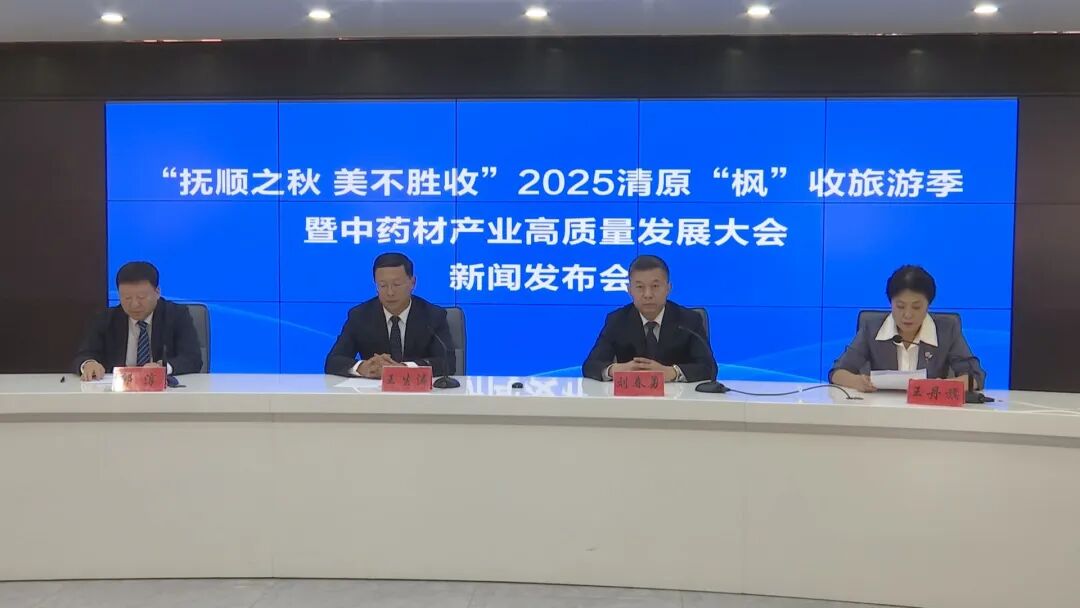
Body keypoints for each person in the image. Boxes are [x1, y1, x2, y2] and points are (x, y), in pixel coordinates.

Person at [829, 265, 986, 393]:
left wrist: (944, 386)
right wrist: (857, 381)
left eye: (916, 307)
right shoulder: (872, 328)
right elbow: (837, 372)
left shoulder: (946, 330)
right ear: (891, 303)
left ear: (928, 304)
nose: (908, 314)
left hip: (930, 414)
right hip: (881, 414)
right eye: (900, 306)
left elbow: (976, 377)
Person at [582, 255, 716, 383]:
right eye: (640, 287)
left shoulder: (689, 320)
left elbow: (709, 368)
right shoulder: (617, 320)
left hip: (678, 397)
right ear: (629, 290)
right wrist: (614, 370)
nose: (648, 295)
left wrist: (672, 372)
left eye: (655, 286)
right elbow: (591, 365)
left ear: (668, 288)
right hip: (631, 396)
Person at [325, 252, 456, 378]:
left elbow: (448, 363)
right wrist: (362, 367)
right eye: (383, 285)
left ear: (413, 283)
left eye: (396, 285)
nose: (390, 292)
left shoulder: (433, 316)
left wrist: (404, 368)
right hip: (373, 391)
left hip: (419, 391)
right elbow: (333, 361)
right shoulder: (360, 316)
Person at [73, 261, 203, 381]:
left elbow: (193, 358)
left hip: (163, 391)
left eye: (141, 297)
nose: (134, 305)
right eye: (127, 298)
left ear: (157, 292)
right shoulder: (106, 318)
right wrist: (88, 364)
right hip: (117, 391)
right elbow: (84, 354)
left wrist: (162, 368)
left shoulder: (176, 315)